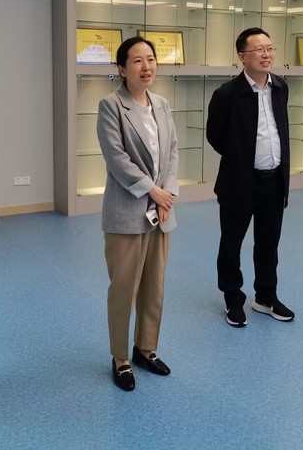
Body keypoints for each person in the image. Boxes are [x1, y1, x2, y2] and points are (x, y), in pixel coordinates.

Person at [96, 36, 179, 391]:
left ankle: (146, 348)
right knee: (124, 289)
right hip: (126, 211)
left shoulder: (162, 104)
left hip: (161, 212)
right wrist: (153, 190)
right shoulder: (111, 105)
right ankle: (120, 358)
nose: (146, 67)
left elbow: (172, 151)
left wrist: (167, 195)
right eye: (137, 61)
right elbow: (117, 159)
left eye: (151, 59)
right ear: (121, 69)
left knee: (154, 286)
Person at [206, 27, 294, 328]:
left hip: (274, 180)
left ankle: (265, 296)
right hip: (239, 183)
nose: (267, 55)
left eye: (270, 48)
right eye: (259, 50)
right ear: (242, 56)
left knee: (268, 244)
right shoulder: (226, 94)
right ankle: (233, 298)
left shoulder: (280, 87)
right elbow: (215, 136)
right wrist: (241, 159)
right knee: (231, 244)